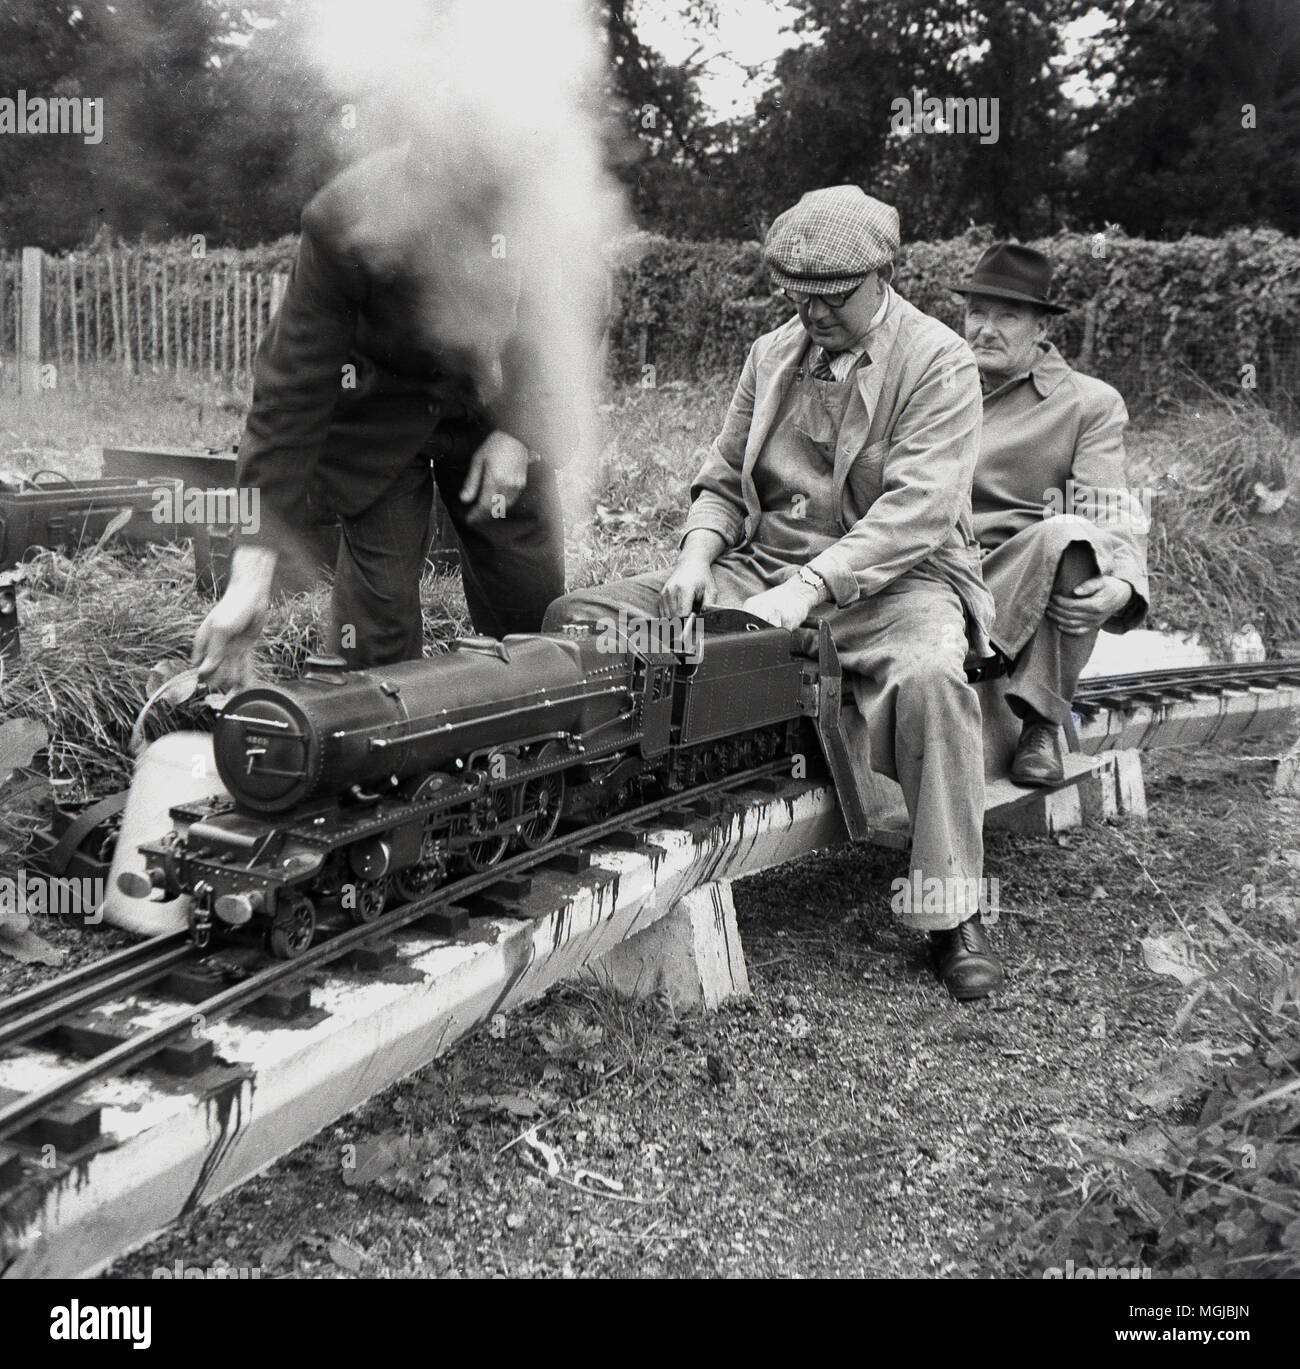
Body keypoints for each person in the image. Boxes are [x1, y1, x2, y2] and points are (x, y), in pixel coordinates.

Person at [544, 185, 1004, 1001]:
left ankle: (951, 908)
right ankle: (602, 810)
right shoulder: (771, 354)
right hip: (762, 568)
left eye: (831, 299)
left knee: (933, 680)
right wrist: (695, 555)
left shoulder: (939, 360)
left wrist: (808, 589)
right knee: (590, 619)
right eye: (797, 297)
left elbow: (919, 512)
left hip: (898, 583)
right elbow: (722, 480)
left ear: (882, 276)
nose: (812, 315)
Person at [192, 142, 581, 688]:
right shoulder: (341, 220)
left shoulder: (529, 192)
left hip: (500, 407)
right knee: (375, 635)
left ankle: (534, 736)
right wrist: (249, 582)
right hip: (382, 418)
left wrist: (519, 434)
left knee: (530, 609)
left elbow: (570, 321)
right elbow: (288, 397)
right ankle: (381, 753)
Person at [955, 243, 1150, 784]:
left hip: (1015, 579)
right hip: (934, 566)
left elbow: (1108, 507)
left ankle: (1039, 723)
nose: (984, 329)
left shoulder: (1088, 403)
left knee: (1071, 536)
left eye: (1007, 316)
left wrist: (1125, 586)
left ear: (1041, 327)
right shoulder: (936, 387)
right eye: (976, 312)